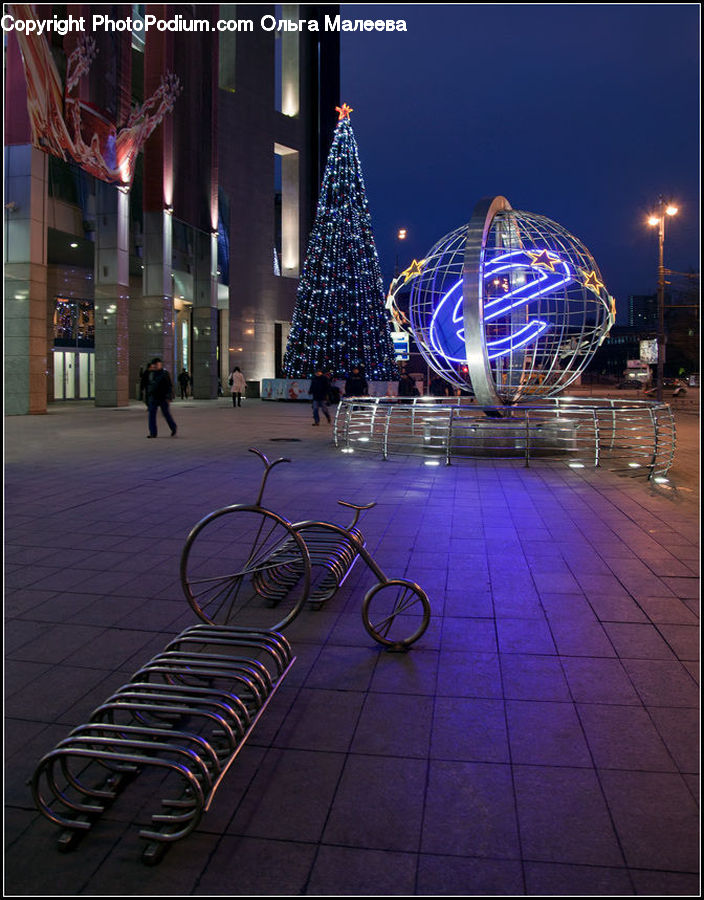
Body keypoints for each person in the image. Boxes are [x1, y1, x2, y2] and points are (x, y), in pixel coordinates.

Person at [144, 357, 177, 438]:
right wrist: (147, 399)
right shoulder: (150, 374)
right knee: (151, 415)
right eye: (155, 365)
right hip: (153, 397)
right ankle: (153, 433)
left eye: (158, 364)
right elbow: (148, 386)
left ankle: (173, 427)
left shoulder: (165, 374)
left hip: (163, 397)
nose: (156, 366)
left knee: (166, 414)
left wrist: (169, 397)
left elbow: (169, 386)